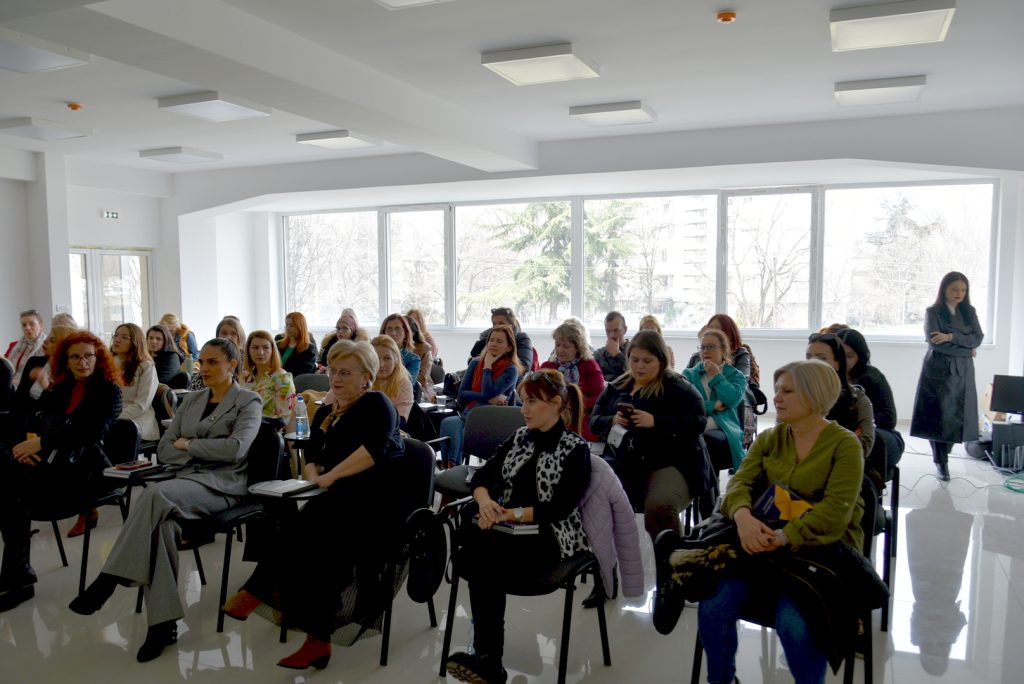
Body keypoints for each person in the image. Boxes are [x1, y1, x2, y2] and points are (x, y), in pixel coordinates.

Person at [69, 338, 261, 662]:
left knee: (154, 493)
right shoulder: (192, 400)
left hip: (223, 486)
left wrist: (189, 445)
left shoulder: (247, 401)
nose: (205, 368)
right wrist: (196, 448)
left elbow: (235, 449)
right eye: (203, 362)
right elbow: (165, 449)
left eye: (214, 362)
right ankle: (162, 625)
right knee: (162, 529)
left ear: (232, 365)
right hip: (185, 480)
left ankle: (109, 579)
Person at [221, 340, 407, 671]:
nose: (335, 378)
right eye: (333, 371)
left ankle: (258, 590)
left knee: (312, 530)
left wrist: (330, 476)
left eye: (346, 373)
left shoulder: (377, 404)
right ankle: (317, 639)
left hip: (374, 503)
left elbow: (373, 451)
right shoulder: (326, 411)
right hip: (333, 501)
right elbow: (311, 453)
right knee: (308, 533)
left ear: (367, 377)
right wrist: (311, 473)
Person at [694, 359, 866, 684]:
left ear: (814, 397)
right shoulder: (771, 438)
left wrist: (785, 537)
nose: (776, 398)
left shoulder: (845, 445)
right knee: (713, 604)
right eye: (777, 390)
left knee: (796, 626)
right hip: (760, 545)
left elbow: (835, 512)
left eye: (787, 391)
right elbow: (739, 484)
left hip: (817, 555)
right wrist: (743, 518)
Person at [444, 369, 591, 684]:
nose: (524, 409)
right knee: (476, 528)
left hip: (551, 535)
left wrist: (509, 515)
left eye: (532, 402)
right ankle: (488, 661)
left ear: (556, 403)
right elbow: (483, 476)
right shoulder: (520, 437)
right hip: (508, 529)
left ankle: (488, 660)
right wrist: (486, 504)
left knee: (483, 555)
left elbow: (560, 508)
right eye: (523, 401)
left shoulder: (575, 448)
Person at [0, 331, 123, 612]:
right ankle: (18, 574)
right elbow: (32, 419)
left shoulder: (109, 390)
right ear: (66, 361)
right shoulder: (61, 387)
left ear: (99, 358)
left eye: (89, 356)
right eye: (75, 357)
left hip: (88, 471)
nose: (83, 362)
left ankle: (18, 576)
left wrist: (43, 442)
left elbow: (90, 433)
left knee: (12, 491)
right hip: (55, 464)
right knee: (10, 485)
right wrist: (31, 447)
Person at [590, 329, 707, 540]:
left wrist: (656, 422)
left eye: (647, 361)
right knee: (599, 500)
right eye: (634, 360)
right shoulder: (616, 387)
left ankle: (669, 556)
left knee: (659, 504)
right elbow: (594, 422)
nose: (639, 366)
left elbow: (698, 422)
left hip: (673, 462)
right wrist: (613, 420)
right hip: (626, 462)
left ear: (661, 361)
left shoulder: (679, 387)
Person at [911, 271, 983, 482]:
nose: (959, 293)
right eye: (955, 289)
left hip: (963, 370)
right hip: (938, 369)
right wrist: (966, 346)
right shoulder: (933, 311)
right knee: (940, 416)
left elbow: (978, 338)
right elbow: (935, 343)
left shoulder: (969, 311)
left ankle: (943, 456)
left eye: (963, 290)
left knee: (958, 416)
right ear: (944, 289)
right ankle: (941, 461)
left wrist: (951, 336)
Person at [440, 325, 522, 467]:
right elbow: (462, 395)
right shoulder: (475, 362)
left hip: (492, 416)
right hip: (468, 413)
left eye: (499, 341)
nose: (494, 344)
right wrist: (488, 398)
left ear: (509, 347)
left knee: (464, 430)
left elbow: (487, 391)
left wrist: (488, 366)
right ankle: (453, 465)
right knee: (448, 423)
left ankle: (453, 464)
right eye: (491, 340)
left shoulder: (511, 369)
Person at [835, 328, 904, 478]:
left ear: (860, 356)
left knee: (865, 440)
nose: (844, 361)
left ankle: (869, 486)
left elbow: (889, 418)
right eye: (840, 355)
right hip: (845, 434)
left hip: (881, 435)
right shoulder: (830, 377)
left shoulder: (871, 377)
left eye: (850, 356)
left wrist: (862, 420)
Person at [681, 328, 748, 472]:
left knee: (697, 438)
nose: (705, 351)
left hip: (725, 425)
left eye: (711, 347)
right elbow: (684, 404)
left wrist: (716, 376)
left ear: (723, 350)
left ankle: (708, 485)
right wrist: (713, 406)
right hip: (696, 421)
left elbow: (732, 400)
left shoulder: (736, 376)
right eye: (702, 347)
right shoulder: (689, 374)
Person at [806, 333, 875, 461]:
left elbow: (864, 446)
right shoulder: (794, 396)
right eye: (808, 357)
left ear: (838, 363)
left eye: (821, 358)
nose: (812, 363)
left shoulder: (856, 399)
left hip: (842, 466)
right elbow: (782, 440)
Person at [541, 321, 605, 441]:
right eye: (557, 345)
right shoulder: (547, 366)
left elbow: (601, 397)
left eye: (566, 346)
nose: (560, 350)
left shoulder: (589, 365)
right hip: (552, 416)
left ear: (578, 347)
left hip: (581, 417)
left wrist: (574, 403)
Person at [111, 324, 159, 442]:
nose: (117, 340)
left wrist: (112, 418)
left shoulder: (146, 366)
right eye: (116, 335)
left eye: (124, 337)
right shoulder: (108, 363)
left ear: (135, 342)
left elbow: (141, 405)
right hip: (111, 416)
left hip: (137, 419)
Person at [242, 330, 297, 429]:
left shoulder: (282, 378)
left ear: (272, 351)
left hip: (267, 431)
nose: (260, 352)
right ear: (248, 351)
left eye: (266, 347)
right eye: (255, 348)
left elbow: (283, 418)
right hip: (241, 428)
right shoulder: (244, 377)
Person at [686, 314, 759, 385]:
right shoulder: (696, 357)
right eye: (710, 328)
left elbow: (740, 385)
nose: (713, 332)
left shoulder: (740, 354)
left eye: (718, 329)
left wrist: (716, 375)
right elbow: (685, 384)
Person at [469, 307, 535, 373]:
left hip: (510, 377)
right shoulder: (487, 338)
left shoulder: (521, 338)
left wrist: (491, 365)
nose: (496, 326)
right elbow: (471, 361)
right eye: (494, 324)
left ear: (511, 326)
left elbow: (524, 366)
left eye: (501, 323)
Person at [367, 335, 413, 424]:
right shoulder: (360, 381)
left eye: (387, 358)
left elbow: (400, 421)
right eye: (376, 358)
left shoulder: (404, 384)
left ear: (396, 360)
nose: (381, 364)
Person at [4, 309, 45, 387]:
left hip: (29, 388)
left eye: (31, 324)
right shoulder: (13, 345)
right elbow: (5, 367)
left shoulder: (47, 347)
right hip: (9, 384)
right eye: (24, 325)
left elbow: (41, 378)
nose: (27, 328)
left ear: (41, 325)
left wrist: (11, 382)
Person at [380, 313, 421, 386]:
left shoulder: (413, 359)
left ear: (405, 333)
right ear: (384, 333)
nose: (393, 333)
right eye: (389, 329)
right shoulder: (374, 355)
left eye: (398, 329)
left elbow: (406, 385)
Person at [276, 311, 318, 377]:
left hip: (295, 381)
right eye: (286, 325)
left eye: (292, 325)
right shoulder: (278, 343)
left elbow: (304, 373)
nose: (288, 328)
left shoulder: (309, 348)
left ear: (300, 327)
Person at [406, 315, 435, 402]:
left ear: (413, 332)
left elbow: (422, 378)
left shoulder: (425, 348)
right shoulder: (390, 348)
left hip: (420, 391)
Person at [594, 311, 629, 382]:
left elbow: (634, 372)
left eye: (616, 330)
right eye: (608, 331)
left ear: (625, 330)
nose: (612, 335)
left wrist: (617, 354)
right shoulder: (599, 354)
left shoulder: (635, 350)